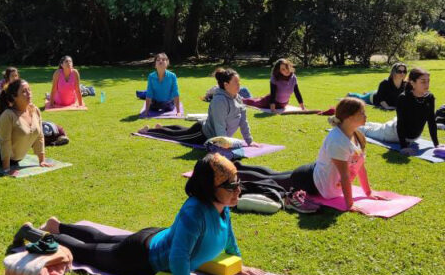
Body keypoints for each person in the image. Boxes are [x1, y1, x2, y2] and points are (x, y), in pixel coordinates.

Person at [12, 153, 266, 275]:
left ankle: (57, 224)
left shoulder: (222, 206)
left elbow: (228, 235)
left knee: (103, 238)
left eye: (238, 183)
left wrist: (237, 262)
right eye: (230, 185)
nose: (238, 190)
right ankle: (33, 233)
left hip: (154, 238)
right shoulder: (195, 213)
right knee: (86, 252)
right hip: (140, 258)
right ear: (210, 188)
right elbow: (179, 259)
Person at [235, 98, 386, 212]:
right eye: (362, 113)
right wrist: (350, 204)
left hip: (317, 173)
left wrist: (368, 192)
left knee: (274, 175)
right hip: (309, 179)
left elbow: (360, 166)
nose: (366, 116)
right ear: (349, 117)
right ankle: (235, 171)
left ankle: (238, 167)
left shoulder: (357, 136)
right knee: (271, 180)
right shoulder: (338, 140)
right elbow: (345, 175)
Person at [139, 68, 259, 147]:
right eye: (236, 83)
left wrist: (249, 141)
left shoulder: (238, 98)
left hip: (206, 129)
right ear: (226, 85)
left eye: (239, 82)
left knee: (183, 130)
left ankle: (162, 127)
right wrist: (224, 144)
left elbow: (243, 121)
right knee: (177, 136)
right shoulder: (219, 101)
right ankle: (148, 131)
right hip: (203, 134)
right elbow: (220, 125)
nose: (239, 85)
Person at [358, 68, 442, 155]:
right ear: (412, 83)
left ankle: (372, 124)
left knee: (378, 127)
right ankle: (347, 124)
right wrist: (404, 147)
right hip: (392, 133)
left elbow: (431, 121)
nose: (427, 84)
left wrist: (436, 144)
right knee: (366, 130)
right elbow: (401, 123)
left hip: (412, 137)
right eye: (423, 81)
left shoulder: (430, 97)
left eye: (428, 81)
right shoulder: (404, 98)